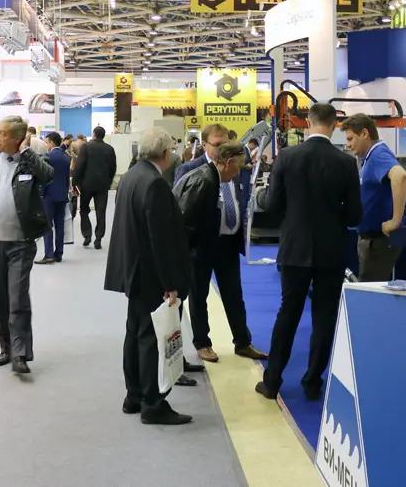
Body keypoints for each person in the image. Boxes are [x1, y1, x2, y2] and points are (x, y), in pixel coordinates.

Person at [255, 103, 362, 401]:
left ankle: (272, 381)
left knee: (288, 312)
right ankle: (313, 381)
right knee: (324, 317)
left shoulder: (287, 157)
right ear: (334, 125)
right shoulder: (345, 162)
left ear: (307, 123)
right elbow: (354, 215)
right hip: (331, 251)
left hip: (294, 248)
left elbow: (272, 208)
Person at [105, 128, 193, 426]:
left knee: (135, 332)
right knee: (150, 338)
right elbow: (161, 239)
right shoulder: (155, 183)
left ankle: (134, 395)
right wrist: (170, 283)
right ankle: (153, 403)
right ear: (166, 153)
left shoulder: (131, 176)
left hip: (133, 269)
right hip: (150, 273)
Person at [0, 115, 54, 375]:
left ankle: (20, 352)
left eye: (3, 134)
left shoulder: (30, 162)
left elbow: (48, 176)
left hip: (21, 243)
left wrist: (25, 151)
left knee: (17, 297)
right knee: (0, 299)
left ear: (17, 138)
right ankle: (5, 346)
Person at [174, 141, 266, 364]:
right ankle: (202, 343)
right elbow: (186, 222)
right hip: (201, 248)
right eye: (238, 166)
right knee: (198, 296)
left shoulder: (215, 178)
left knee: (234, 295)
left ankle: (242, 342)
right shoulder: (204, 180)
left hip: (226, 244)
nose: (239, 172)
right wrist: (187, 254)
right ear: (228, 162)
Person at [342, 113, 406, 282]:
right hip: (370, 239)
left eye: (350, 139)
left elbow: (400, 176)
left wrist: (395, 220)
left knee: (369, 291)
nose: (348, 144)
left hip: (378, 241)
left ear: (365, 133)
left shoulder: (378, 154)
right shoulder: (368, 157)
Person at [73, 125, 117, 250]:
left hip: (87, 184)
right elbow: (113, 167)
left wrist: (75, 181)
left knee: (84, 210)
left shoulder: (86, 147)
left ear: (94, 134)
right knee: (101, 212)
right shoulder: (110, 149)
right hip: (102, 185)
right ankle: (98, 238)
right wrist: (109, 181)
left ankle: (87, 235)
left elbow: (80, 165)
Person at [37, 132, 71, 265]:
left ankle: (49, 254)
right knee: (60, 225)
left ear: (51, 142)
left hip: (49, 196)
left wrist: (41, 193)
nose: (46, 145)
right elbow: (67, 178)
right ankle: (59, 253)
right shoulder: (66, 157)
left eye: (47, 143)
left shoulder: (47, 157)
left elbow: (44, 177)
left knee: (47, 225)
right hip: (62, 195)